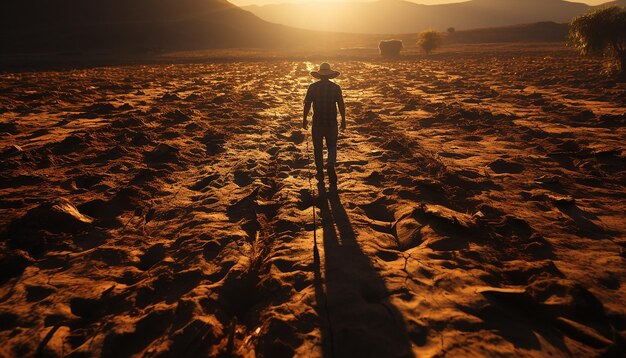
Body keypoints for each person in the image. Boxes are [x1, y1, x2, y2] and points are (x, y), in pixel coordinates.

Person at [303, 63, 346, 189]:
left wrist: (304, 119)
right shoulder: (336, 88)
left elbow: (307, 104)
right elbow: (341, 104)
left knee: (318, 148)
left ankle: (320, 172)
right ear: (330, 75)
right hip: (331, 122)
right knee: (332, 145)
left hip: (317, 123)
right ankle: (331, 164)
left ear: (319, 75)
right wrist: (343, 119)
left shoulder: (313, 87)